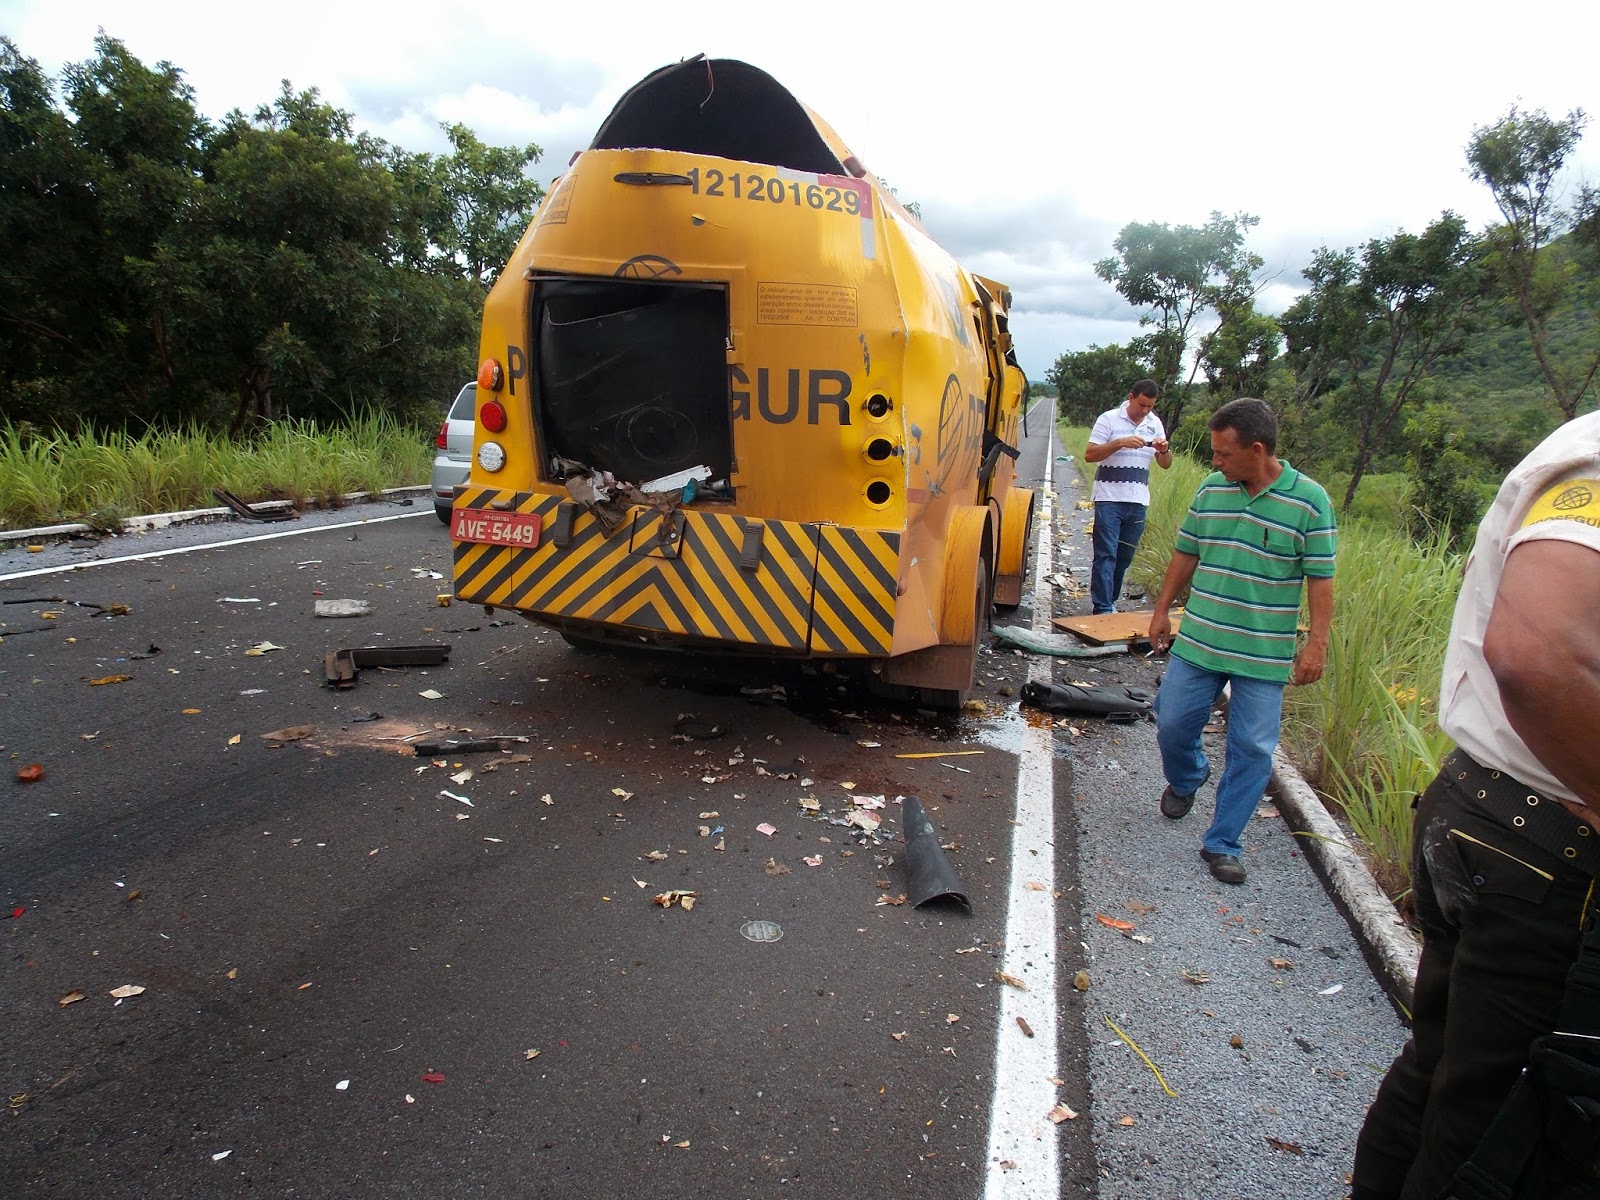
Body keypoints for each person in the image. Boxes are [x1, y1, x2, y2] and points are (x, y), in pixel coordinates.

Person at [1350, 412, 1600, 1200]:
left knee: (1441, 1070)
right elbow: (1535, 653)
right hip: (1548, 838)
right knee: (1501, 1124)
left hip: (1487, 813)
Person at [1146, 398, 1336, 886]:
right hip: (1202, 640)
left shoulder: (1310, 501)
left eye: (1223, 454)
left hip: (1263, 653)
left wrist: (1316, 645)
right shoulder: (1212, 490)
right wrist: (1162, 610)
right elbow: (1187, 553)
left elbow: (1320, 580)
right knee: (1170, 722)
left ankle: (1223, 842)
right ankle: (1189, 776)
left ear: (1257, 450)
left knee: (1252, 747)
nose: (1215, 461)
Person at [1084, 380, 1172, 614]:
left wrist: (1164, 450)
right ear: (1131, 397)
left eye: (1150, 407)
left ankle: (1110, 601)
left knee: (1124, 557)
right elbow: (1090, 454)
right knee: (1106, 553)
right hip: (1109, 497)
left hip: (1138, 500)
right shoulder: (1108, 419)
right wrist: (1120, 443)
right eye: (1141, 404)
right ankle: (1102, 607)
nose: (1144, 411)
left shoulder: (1155, 424)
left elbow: (1165, 464)